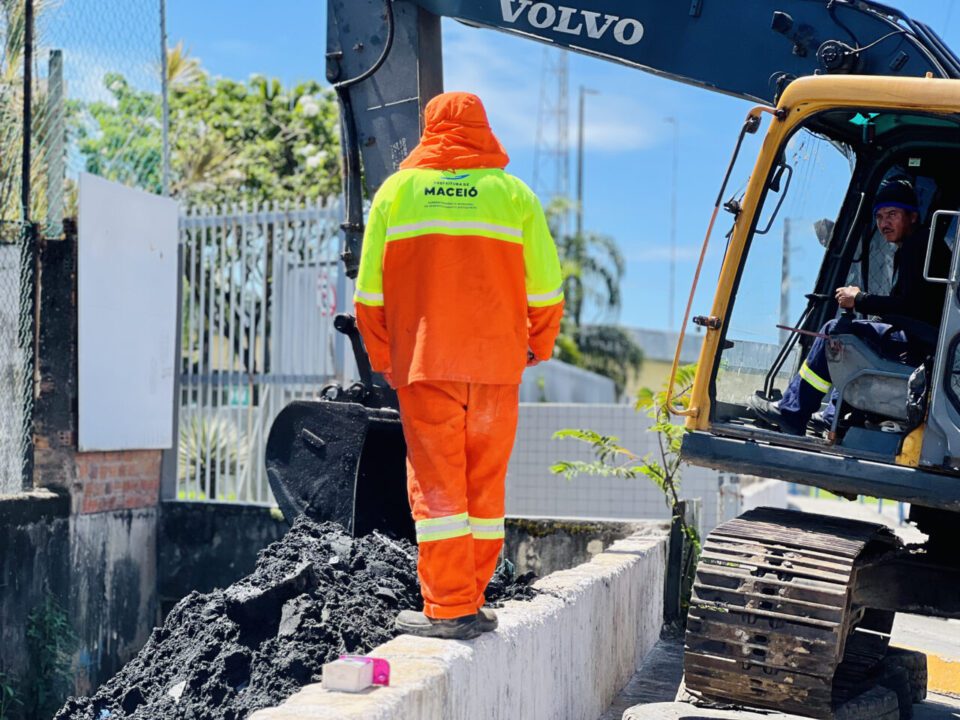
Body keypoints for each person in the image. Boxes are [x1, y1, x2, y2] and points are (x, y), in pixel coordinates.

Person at [353, 92, 564, 639]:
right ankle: (470, 600)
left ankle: (447, 609)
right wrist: (535, 346)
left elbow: (369, 295)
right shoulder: (515, 196)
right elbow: (546, 289)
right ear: (482, 130)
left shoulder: (396, 193)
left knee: (439, 487)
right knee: (484, 487)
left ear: (429, 129)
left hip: (425, 365)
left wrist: (386, 359)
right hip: (496, 366)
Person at [750, 176, 948, 435]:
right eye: (879, 217)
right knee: (858, 335)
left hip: (920, 341)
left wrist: (860, 298)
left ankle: (792, 412)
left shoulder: (920, 246)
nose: (883, 223)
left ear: (912, 216)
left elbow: (908, 305)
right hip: (923, 340)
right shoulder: (919, 245)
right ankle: (836, 415)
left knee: (837, 330)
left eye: (892, 214)